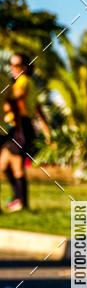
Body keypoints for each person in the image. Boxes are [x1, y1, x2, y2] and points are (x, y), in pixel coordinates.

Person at [0, 53, 51, 211]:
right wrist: (47, 131)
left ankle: (21, 202)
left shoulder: (22, 81)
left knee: (15, 165)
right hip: (24, 126)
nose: (13, 68)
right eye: (11, 65)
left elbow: (16, 100)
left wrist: (6, 107)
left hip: (20, 126)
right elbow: (38, 109)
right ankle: (19, 200)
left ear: (26, 67)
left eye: (17, 65)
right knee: (6, 164)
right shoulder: (31, 83)